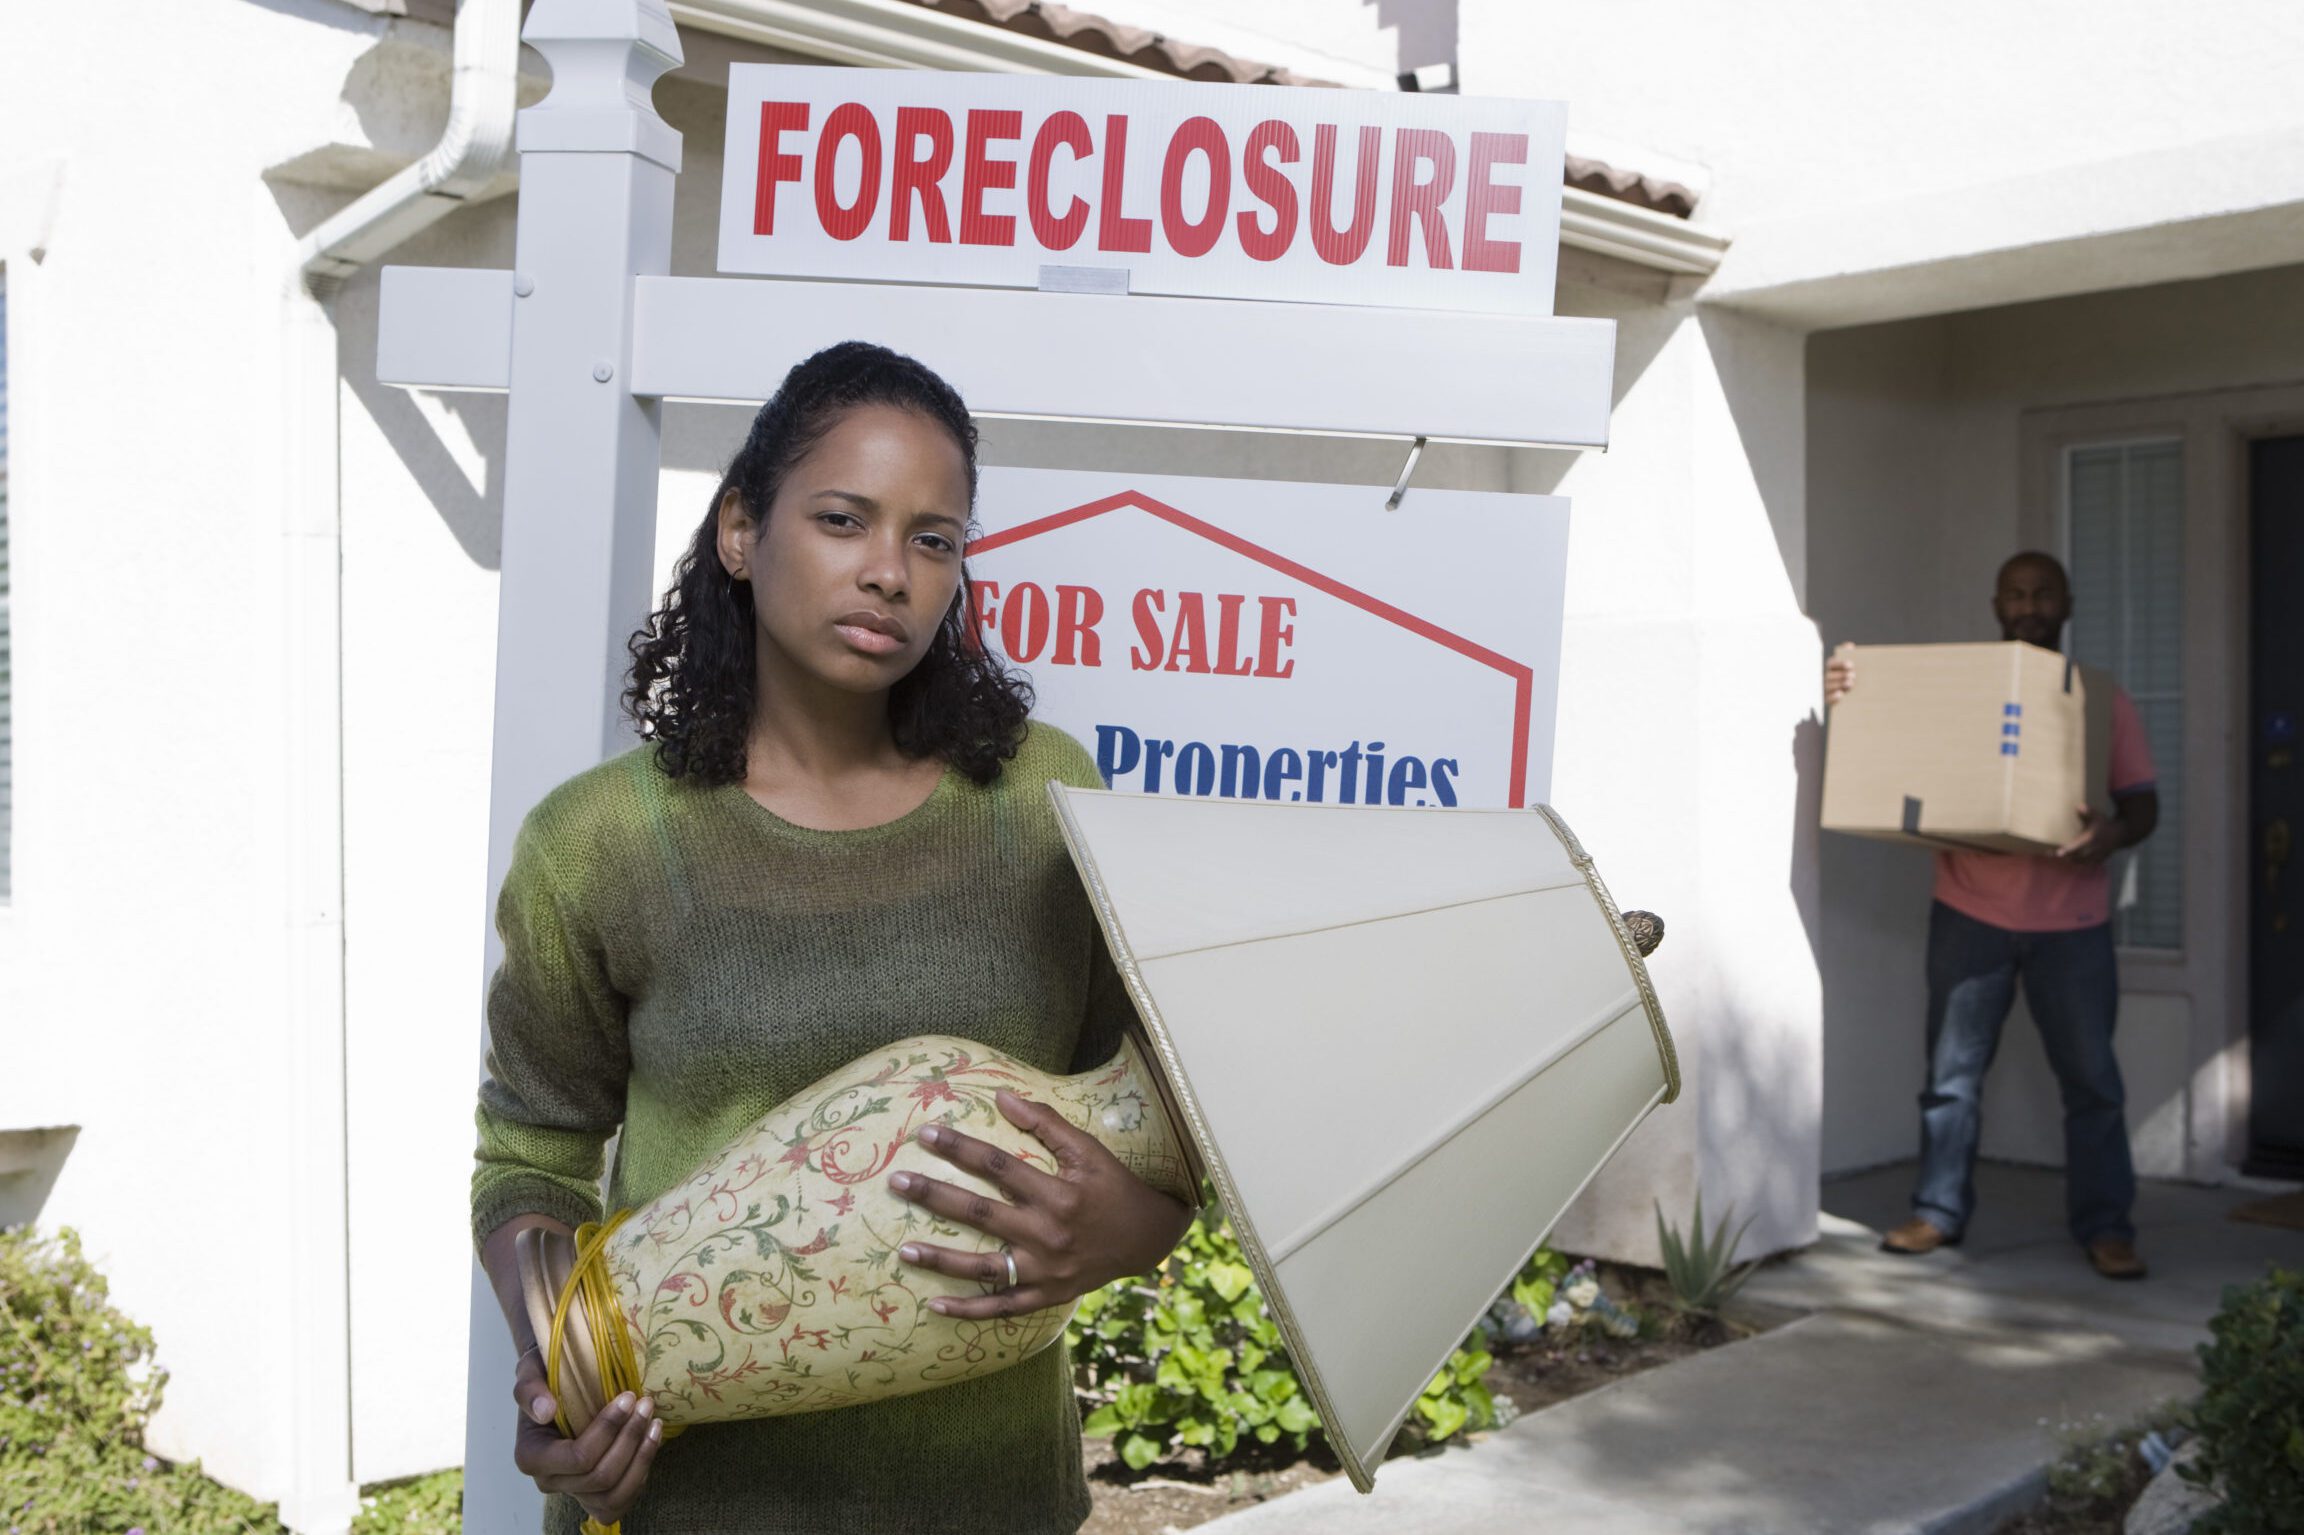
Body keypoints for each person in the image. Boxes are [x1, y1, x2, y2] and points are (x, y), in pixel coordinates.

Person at [470, 342, 1196, 1534]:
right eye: (845, 518)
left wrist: (1139, 1229)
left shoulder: (1045, 803)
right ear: (742, 532)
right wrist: (569, 1362)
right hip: (689, 1505)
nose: (890, 573)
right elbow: (532, 1150)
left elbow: (1169, 1101)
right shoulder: (598, 841)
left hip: (991, 1498)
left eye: (933, 538)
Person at [1825, 551, 2159, 1281]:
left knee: (2093, 1083)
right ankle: (1935, 1211)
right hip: (1968, 913)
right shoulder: (1959, 692)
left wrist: (2112, 832)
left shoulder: (2102, 701)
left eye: (2044, 593)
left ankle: (2107, 1226)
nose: (2029, 605)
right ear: (1995, 604)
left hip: (2071, 925)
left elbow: (2144, 805)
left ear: (2067, 604)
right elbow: (1883, 720)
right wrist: (1847, 682)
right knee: (1950, 1077)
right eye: (2016, 593)